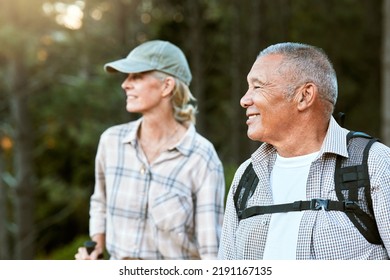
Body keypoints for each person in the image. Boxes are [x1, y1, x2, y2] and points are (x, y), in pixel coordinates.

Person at [218, 42, 390, 260]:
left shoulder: (374, 163)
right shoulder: (247, 176)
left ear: (304, 96)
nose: (244, 100)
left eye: (258, 86)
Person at [75, 40, 225, 260]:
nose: (125, 84)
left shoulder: (202, 158)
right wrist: (95, 248)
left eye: (136, 76)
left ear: (166, 86)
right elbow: (100, 202)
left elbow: (211, 251)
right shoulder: (111, 142)